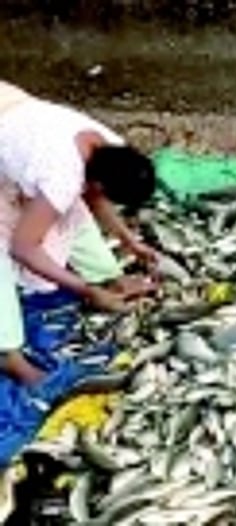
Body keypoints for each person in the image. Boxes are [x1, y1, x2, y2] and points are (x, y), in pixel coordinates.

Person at [0, 80, 160, 393]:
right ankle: (8, 355)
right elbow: (23, 247)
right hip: (9, 120)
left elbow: (91, 198)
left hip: (13, 109)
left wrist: (129, 241)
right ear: (99, 183)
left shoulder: (110, 147)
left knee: (68, 212)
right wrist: (84, 291)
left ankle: (108, 278)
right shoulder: (62, 175)